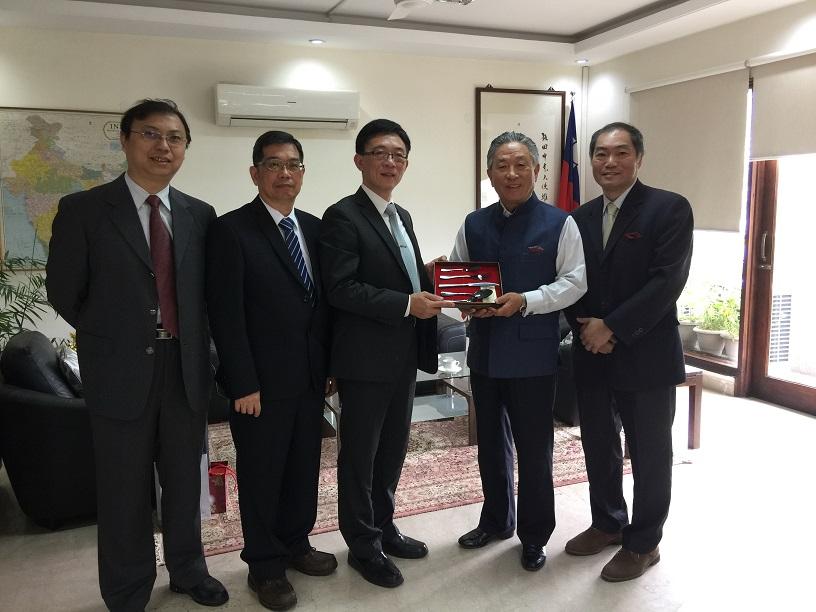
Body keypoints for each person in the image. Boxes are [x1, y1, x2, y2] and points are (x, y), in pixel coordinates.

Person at [46, 99, 228, 611]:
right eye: (150, 134)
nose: (162, 146)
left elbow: (206, 295)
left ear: (185, 148)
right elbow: (64, 291)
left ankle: (189, 570)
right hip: (119, 370)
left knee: (185, 482)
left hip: (185, 370)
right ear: (125, 141)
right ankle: (127, 590)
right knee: (123, 489)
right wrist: (118, 335)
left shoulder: (199, 214)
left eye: (174, 137)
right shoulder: (83, 210)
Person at [205, 131, 337, 610]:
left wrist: (329, 367)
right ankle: (264, 565)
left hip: (308, 378)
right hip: (258, 385)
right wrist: (242, 381)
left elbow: (322, 307)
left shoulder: (316, 228)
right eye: (275, 164)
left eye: (295, 165)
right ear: (255, 173)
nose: (286, 174)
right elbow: (226, 313)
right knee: (262, 474)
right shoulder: (231, 230)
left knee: (303, 468)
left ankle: (296, 544)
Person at [319, 118, 452, 589]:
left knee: (392, 450)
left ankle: (384, 526)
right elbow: (340, 288)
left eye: (398, 154)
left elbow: (400, 275)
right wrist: (405, 303)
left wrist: (429, 276)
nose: (390, 161)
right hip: (364, 358)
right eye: (379, 152)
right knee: (360, 455)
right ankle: (361, 543)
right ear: (359, 161)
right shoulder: (343, 216)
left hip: (402, 355)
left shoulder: (402, 216)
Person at [451, 131, 587, 571]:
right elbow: (459, 276)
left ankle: (534, 535)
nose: (511, 174)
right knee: (490, 445)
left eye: (521, 164)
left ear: (536, 170)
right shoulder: (473, 223)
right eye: (502, 166)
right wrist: (462, 299)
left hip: (533, 355)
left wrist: (527, 300)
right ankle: (495, 521)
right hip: (485, 352)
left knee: (534, 449)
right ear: (489, 172)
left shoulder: (559, 222)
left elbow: (574, 282)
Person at [564, 122, 693, 582]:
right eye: (600, 154)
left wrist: (613, 327)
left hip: (646, 354)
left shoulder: (669, 209)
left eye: (620, 153)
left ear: (639, 157)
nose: (609, 162)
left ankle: (644, 543)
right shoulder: (577, 218)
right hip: (591, 351)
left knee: (649, 453)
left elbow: (667, 281)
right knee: (599, 445)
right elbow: (570, 280)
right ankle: (608, 523)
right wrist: (585, 328)